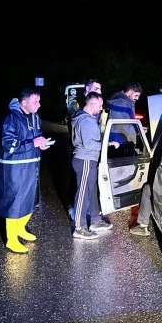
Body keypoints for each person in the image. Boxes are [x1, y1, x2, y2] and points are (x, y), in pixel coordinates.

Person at [0, 88, 53, 254]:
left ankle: (21, 229)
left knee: (30, 200)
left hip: (31, 165)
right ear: (23, 102)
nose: (39, 105)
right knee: (15, 203)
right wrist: (32, 143)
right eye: (36, 101)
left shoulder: (35, 117)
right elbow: (8, 144)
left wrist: (41, 143)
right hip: (14, 168)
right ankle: (11, 240)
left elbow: (36, 136)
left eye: (39, 101)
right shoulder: (11, 118)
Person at [71, 92, 119, 239]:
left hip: (89, 159)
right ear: (92, 104)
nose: (101, 108)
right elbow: (89, 144)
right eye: (99, 105)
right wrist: (107, 144)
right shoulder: (86, 121)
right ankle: (79, 228)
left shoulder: (87, 119)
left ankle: (95, 222)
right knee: (83, 194)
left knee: (90, 192)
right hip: (85, 160)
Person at [107, 82, 142, 148]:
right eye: (136, 95)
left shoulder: (116, 100)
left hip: (115, 136)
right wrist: (139, 130)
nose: (137, 98)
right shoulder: (124, 103)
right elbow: (131, 122)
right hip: (122, 138)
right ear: (130, 91)